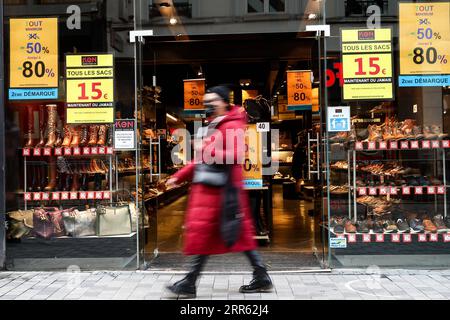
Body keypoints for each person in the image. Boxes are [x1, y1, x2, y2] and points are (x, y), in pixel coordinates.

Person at [165, 85, 273, 298]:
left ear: (224, 102)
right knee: (226, 236)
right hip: (213, 192)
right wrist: (180, 175)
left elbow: (235, 155)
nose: (208, 105)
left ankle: (190, 281)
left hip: (224, 192)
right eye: (206, 101)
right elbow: (201, 160)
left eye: (212, 101)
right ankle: (259, 275)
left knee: (217, 235)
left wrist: (205, 147)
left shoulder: (231, 125)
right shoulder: (215, 124)